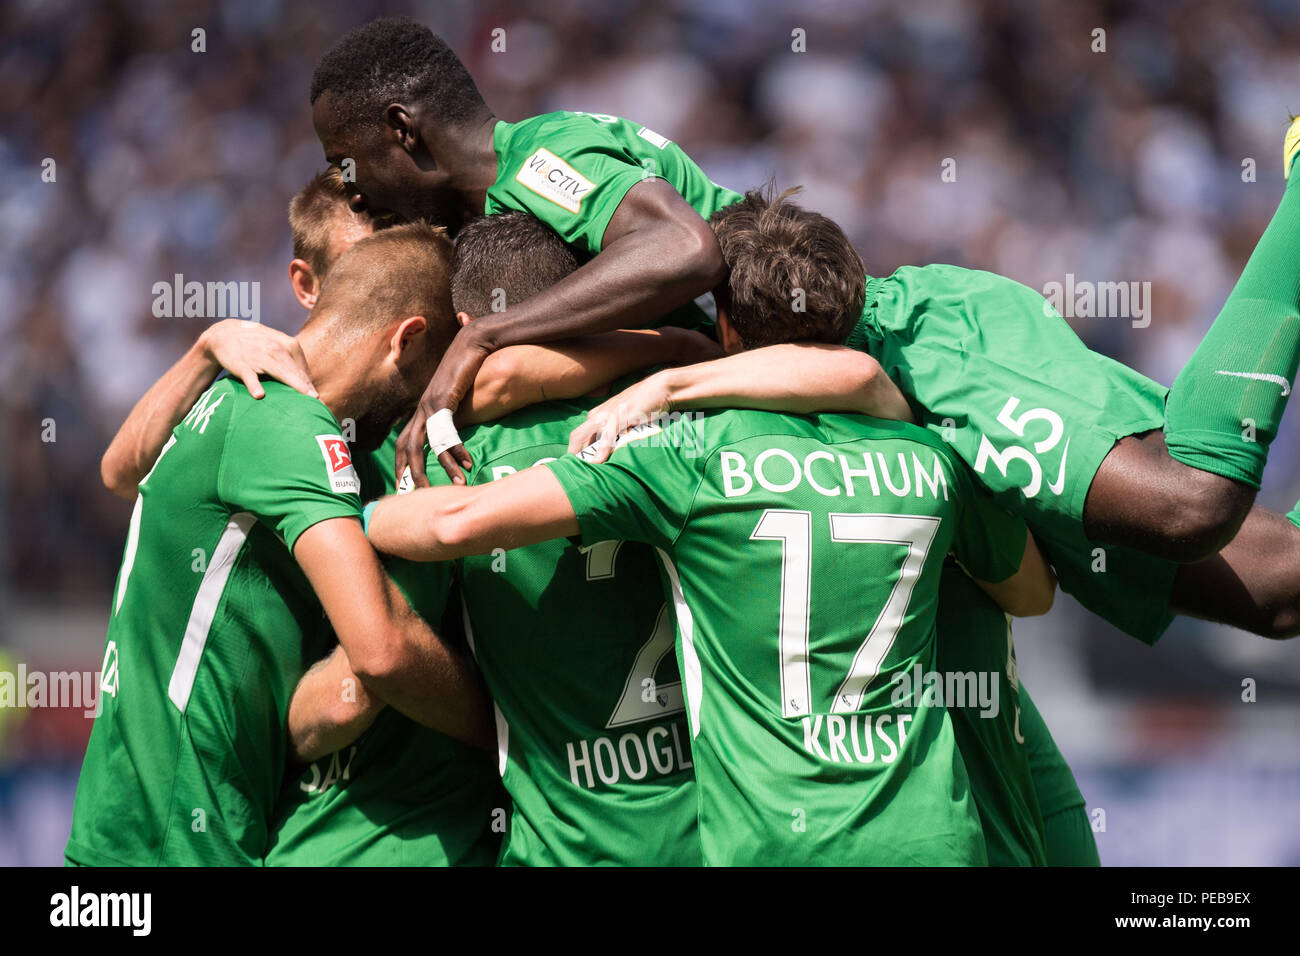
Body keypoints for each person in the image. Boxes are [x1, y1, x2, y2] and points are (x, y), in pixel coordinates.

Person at [359, 213, 1058, 865]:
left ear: (724, 324)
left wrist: (339, 514)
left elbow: (449, 524)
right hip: (935, 833)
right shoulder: (934, 457)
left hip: (768, 838)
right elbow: (1031, 594)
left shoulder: (684, 454)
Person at [570, 185, 1300, 644]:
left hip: (953, 346)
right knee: (1280, 595)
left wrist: (662, 385)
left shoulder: (930, 357)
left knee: (1192, 501)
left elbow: (849, 370)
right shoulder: (706, 291)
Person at [66, 223, 498, 866]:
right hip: (175, 845)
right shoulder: (291, 425)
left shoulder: (227, 395)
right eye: (429, 385)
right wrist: (519, 729)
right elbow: (381, 651)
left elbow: (119, 472)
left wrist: (207, 346)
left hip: (140, 831)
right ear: (406, 342)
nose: (422, 412)